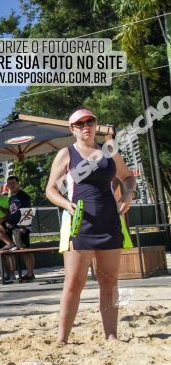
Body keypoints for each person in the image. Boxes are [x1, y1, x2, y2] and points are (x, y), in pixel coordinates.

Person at [46, 108, 135, 344]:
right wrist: (66, 203)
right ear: (72, 129)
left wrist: (128, 195)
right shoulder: (66, 153)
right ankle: (62, 339)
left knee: (108, 281)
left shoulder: (109, 151)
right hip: (79, 223)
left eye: (90, 121)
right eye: (80, 123)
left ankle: (111, 336)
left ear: (96, 124)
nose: (86, 126)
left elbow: (128, 177)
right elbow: (50, 190)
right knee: (74, 283)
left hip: (109, 221)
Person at [6, 175, 36, 282]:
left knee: (25, 250)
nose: (11, 185)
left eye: (13, 183)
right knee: (22, 250)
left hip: (22, 227)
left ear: (18, 183)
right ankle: (29, 274)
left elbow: (28, 211)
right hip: (14, 228)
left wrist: (24, 226)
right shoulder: (11, 198)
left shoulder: (24, 196)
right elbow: (12, 212)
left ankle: (30, 274)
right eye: (9, 184)